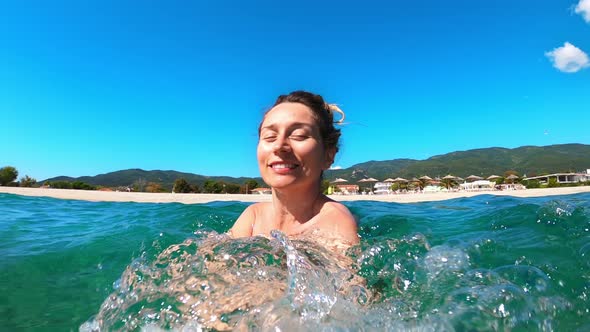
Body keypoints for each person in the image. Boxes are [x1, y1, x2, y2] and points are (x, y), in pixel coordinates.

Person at [229, 91, 359, 245]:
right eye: (269, 136)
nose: (279, 146)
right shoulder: (254, 216)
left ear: (328, 155)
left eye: (299, 135)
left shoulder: (335, 222)